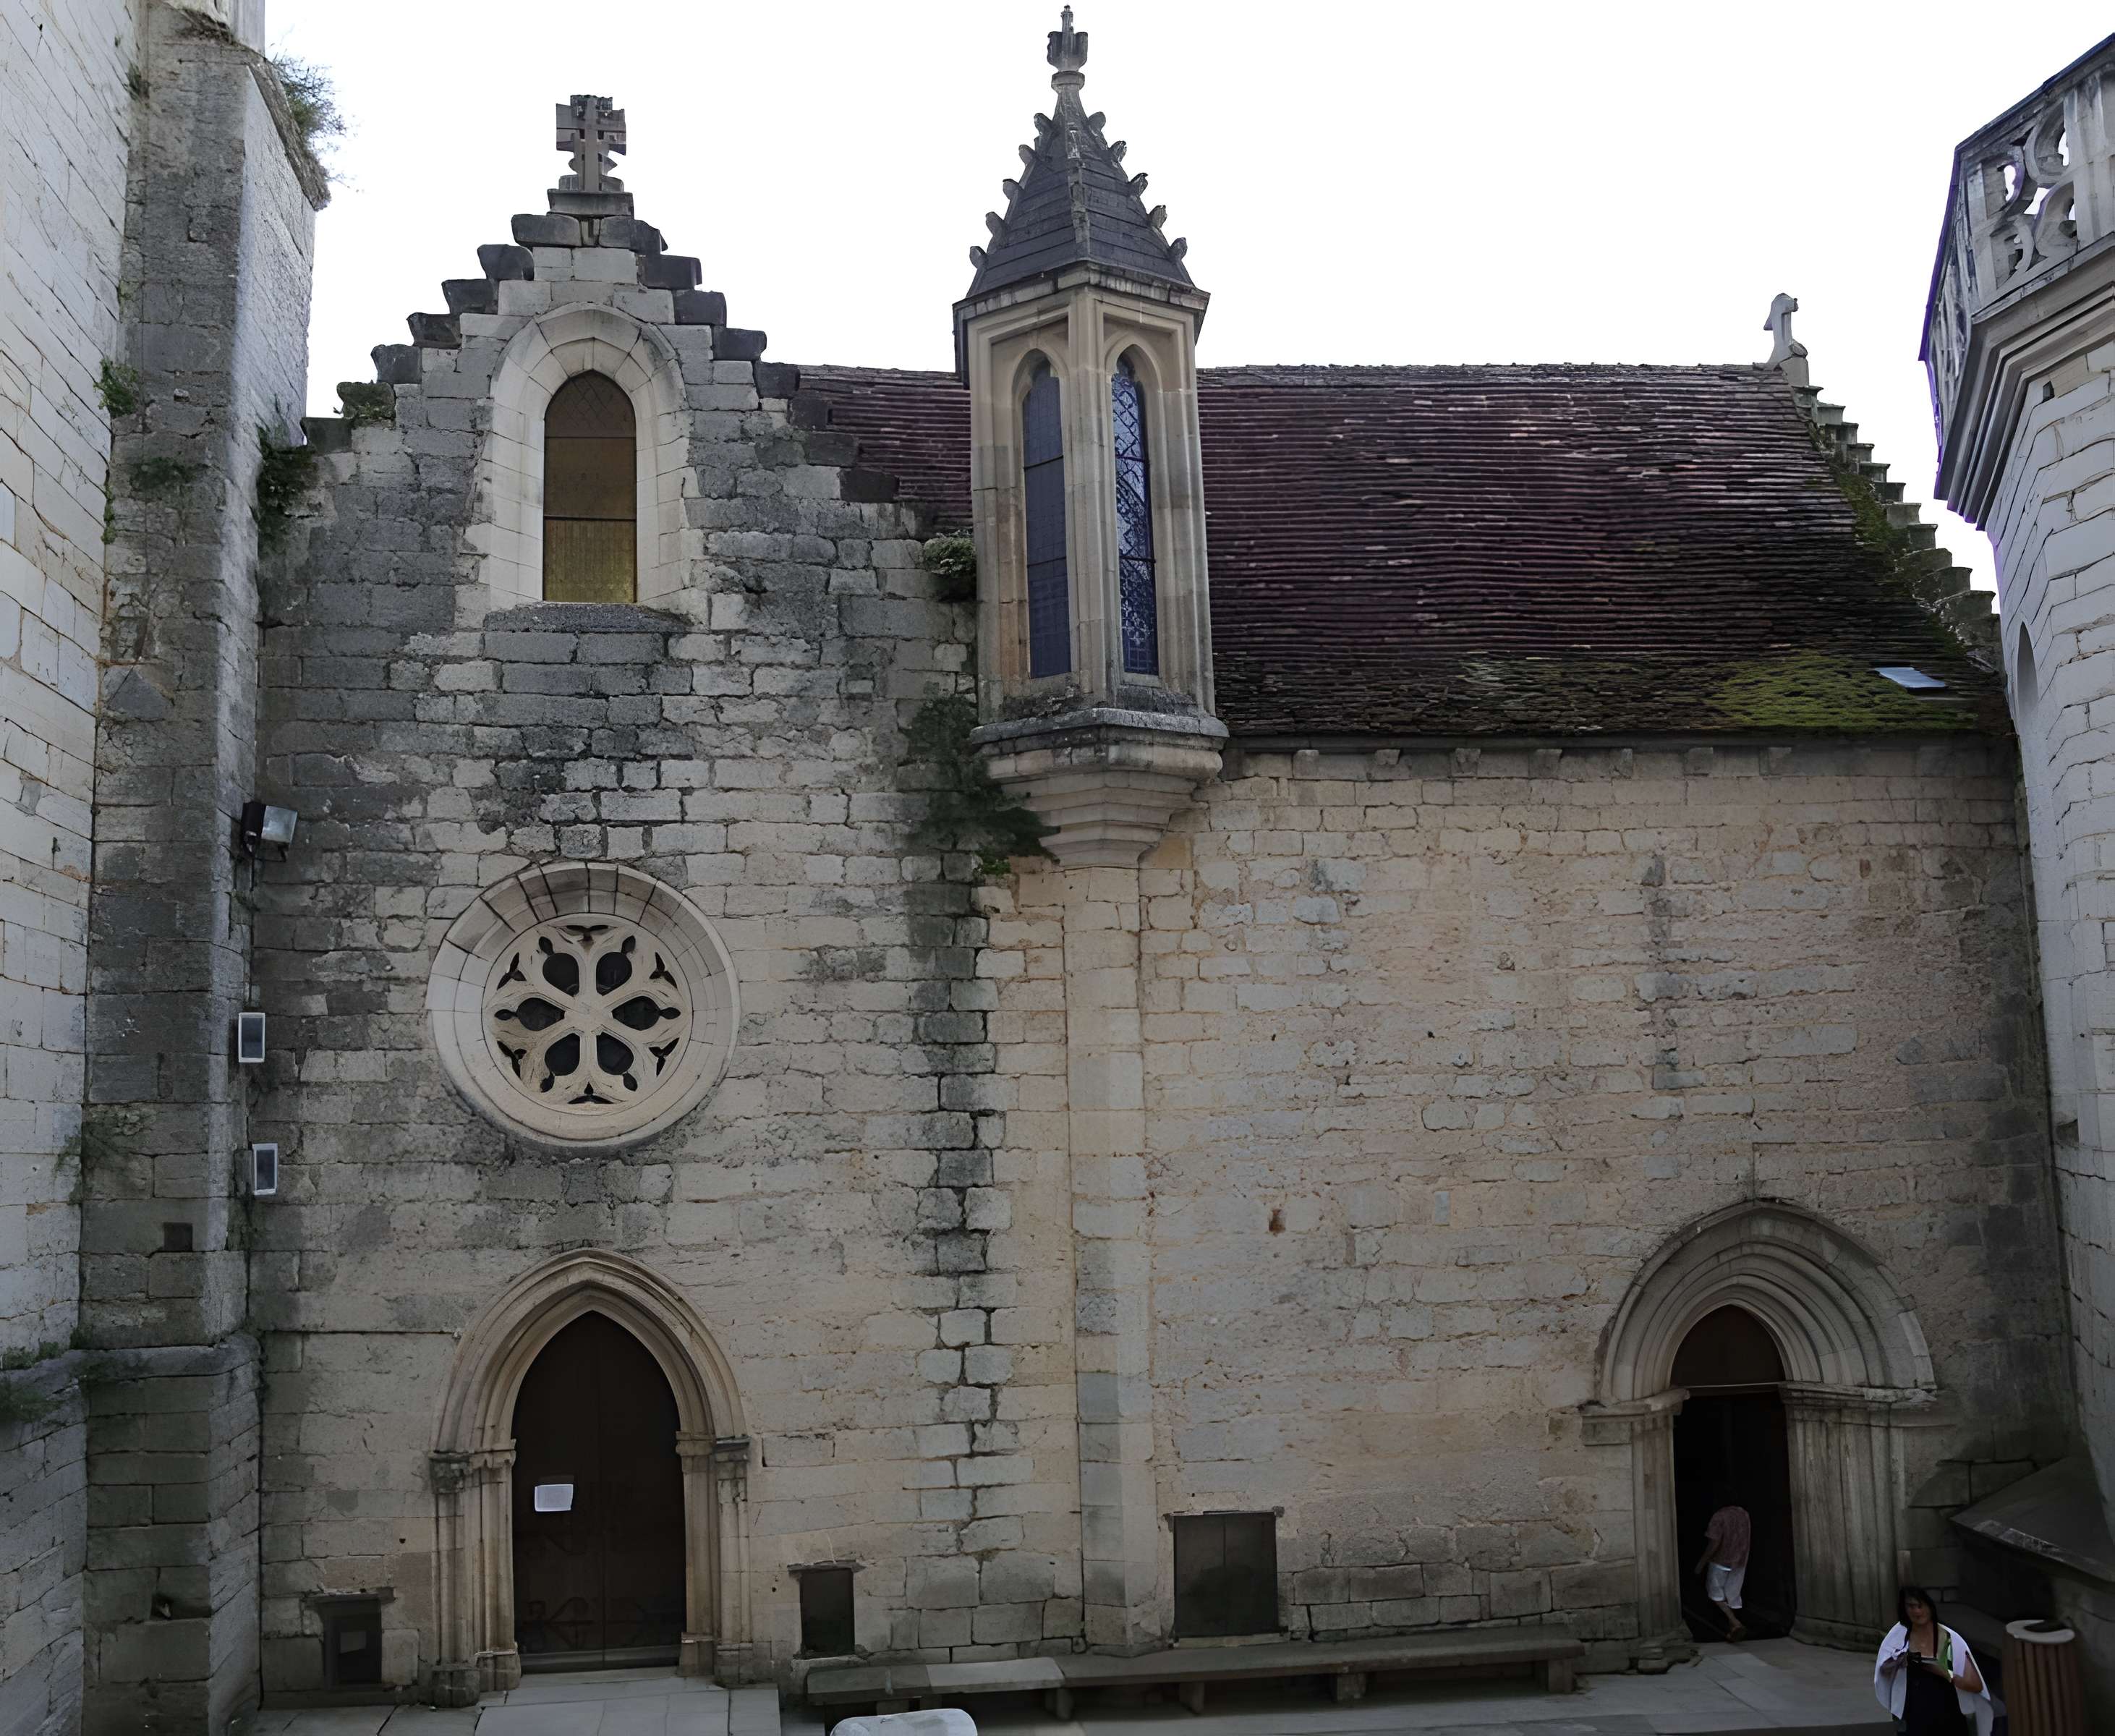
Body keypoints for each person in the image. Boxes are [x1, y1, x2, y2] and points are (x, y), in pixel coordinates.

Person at [1873, 1585, 1992, 1735]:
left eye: (1921, 1605)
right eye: (1911, 1606)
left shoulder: (1946, 1639)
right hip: (1912, 1717)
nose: (1917, 1611)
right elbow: (1883, 1671)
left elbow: (1975, 1684)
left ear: (1931, 1606)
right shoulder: (1899, 1637)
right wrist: (1899, 1662)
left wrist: (1942, 1672)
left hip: (1947, 1717)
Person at [1693, 1498, 1751, 1640]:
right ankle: (1733, 1630)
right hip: (1739, 1562)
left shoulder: (1719, 1516)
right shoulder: (1743, 1514)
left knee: (1716, 1595)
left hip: (1721, 1562)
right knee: (1732, 1595)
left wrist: (1702, 1562)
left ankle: (1735, 1623)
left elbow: (1714, 1542)